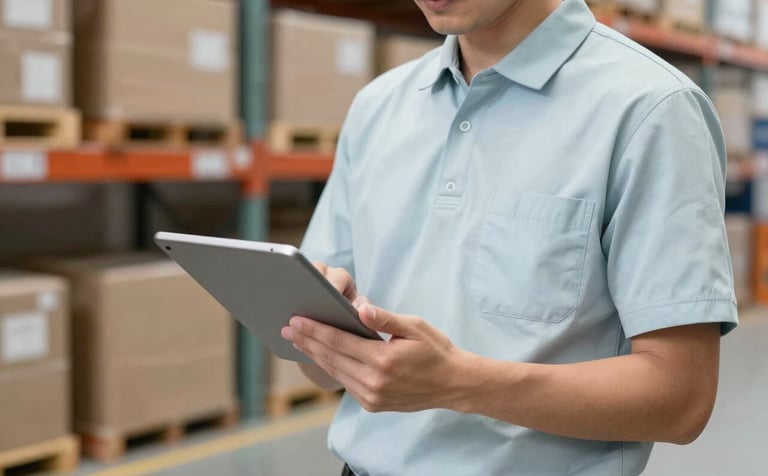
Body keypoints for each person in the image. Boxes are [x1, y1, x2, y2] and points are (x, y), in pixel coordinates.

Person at [280, 0, 740, 474]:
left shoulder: (651, 109)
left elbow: (682, 400)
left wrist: (459, 383)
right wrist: (327, 333)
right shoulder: (377, 107)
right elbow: (315, 372)